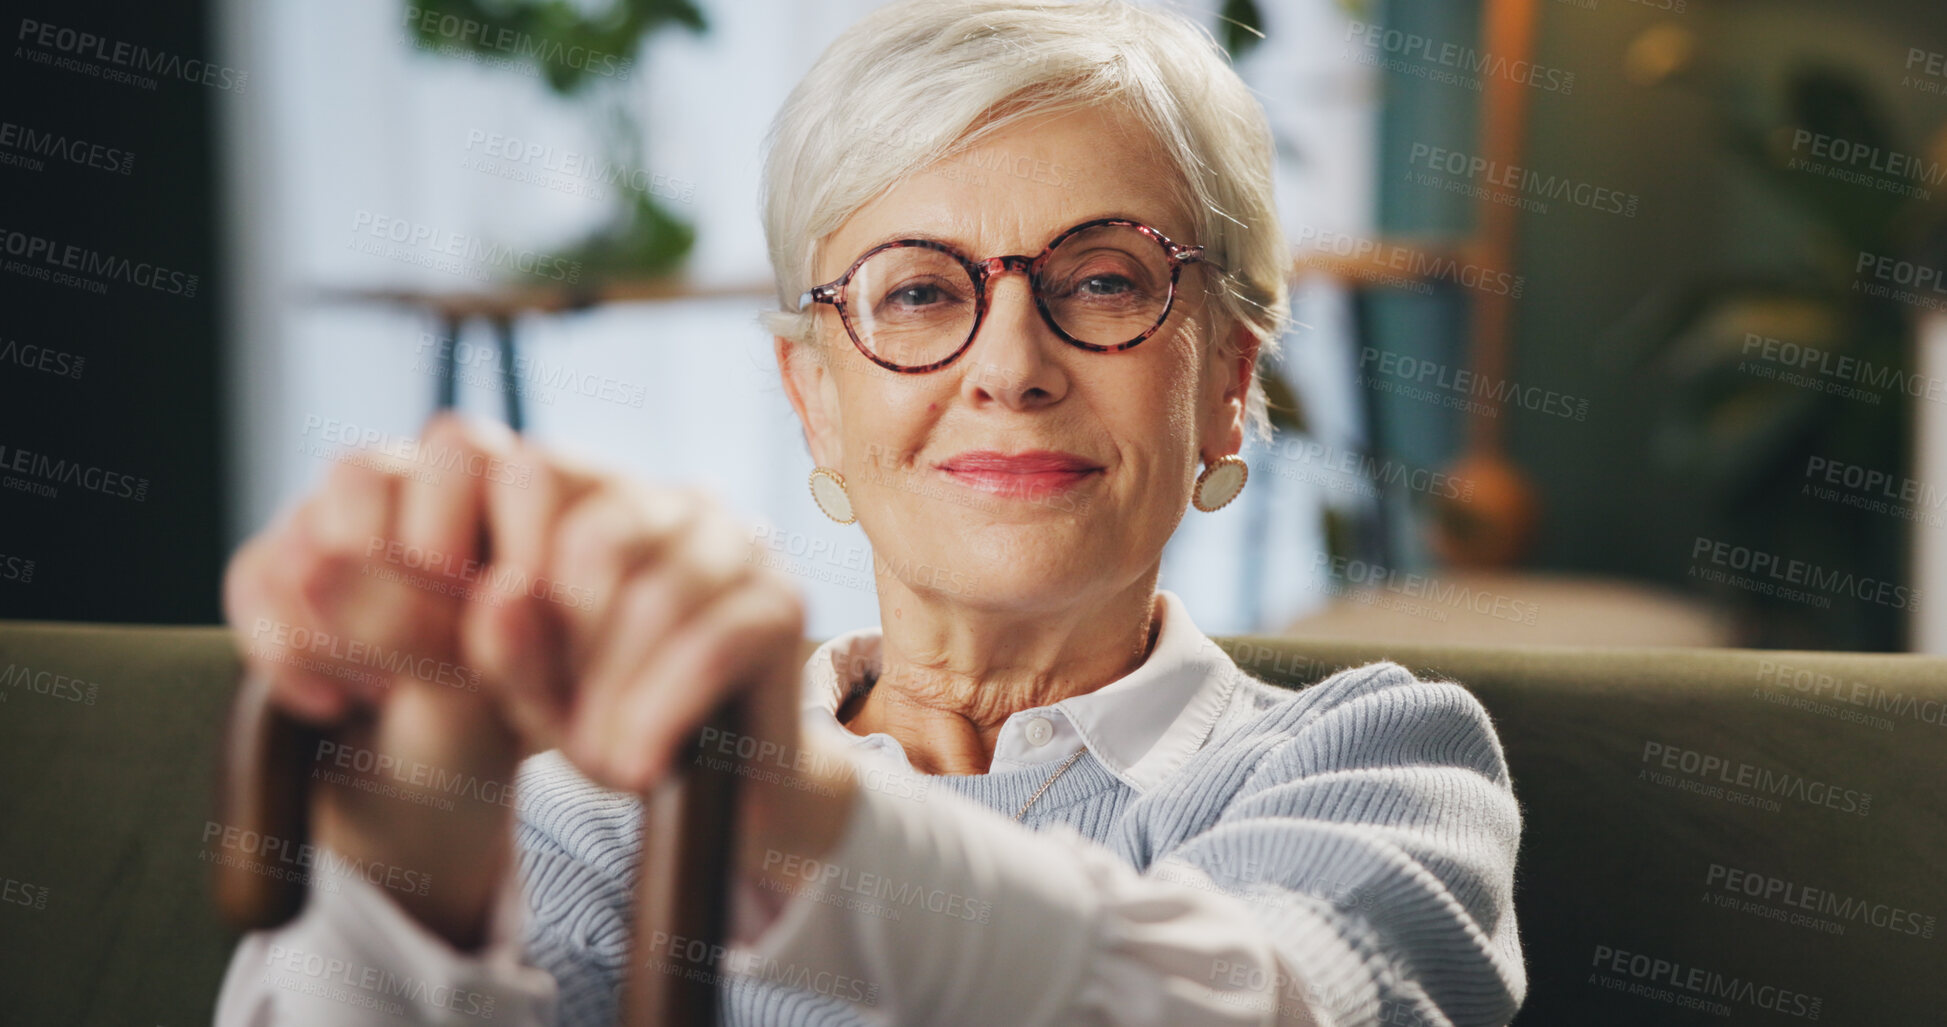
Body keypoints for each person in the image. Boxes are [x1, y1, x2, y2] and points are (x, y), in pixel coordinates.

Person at [213, 1, 1525, 1024]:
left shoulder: (1383, 763)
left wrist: (788, 807)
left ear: (1228, 386)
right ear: (817, 403)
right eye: (916, 294)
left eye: (1109, 280)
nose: (1011, 365)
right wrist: (407, 891)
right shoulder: (581, 813)